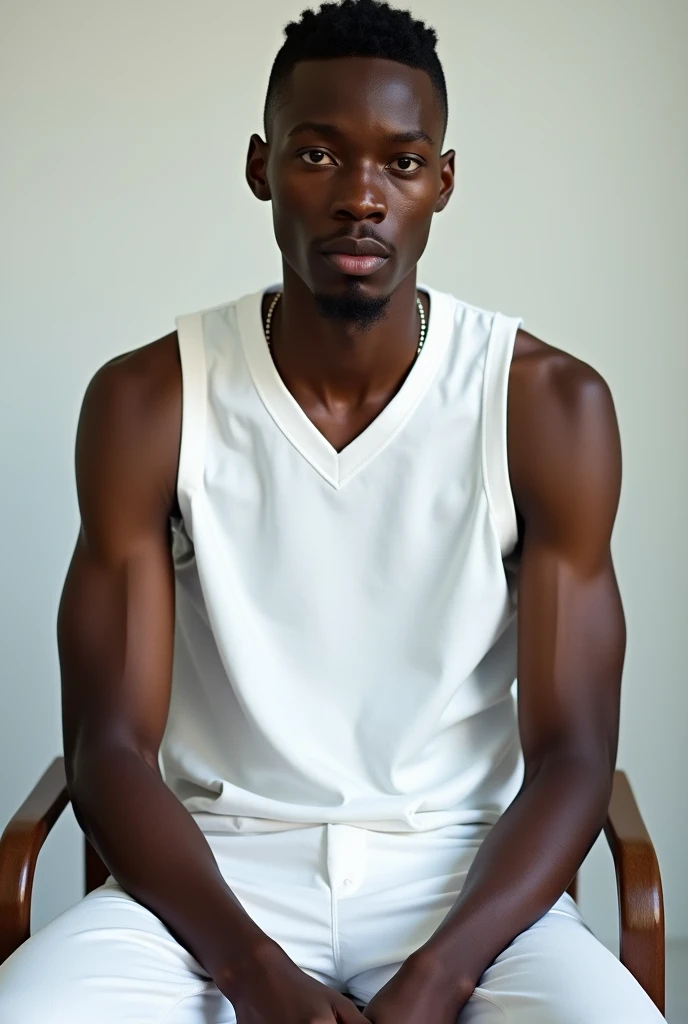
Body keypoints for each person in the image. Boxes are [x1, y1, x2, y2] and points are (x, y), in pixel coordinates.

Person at [0, 1, 665, 1021]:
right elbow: (108, 748)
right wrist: (251, 970)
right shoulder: (150, 400)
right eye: (319, 155)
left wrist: (443, 973)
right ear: (261, 167)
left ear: (442, 181)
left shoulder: (544, 405)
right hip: (212, 880)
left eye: (400, 163)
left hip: (462, 882)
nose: (361, 197)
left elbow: (576, 750)